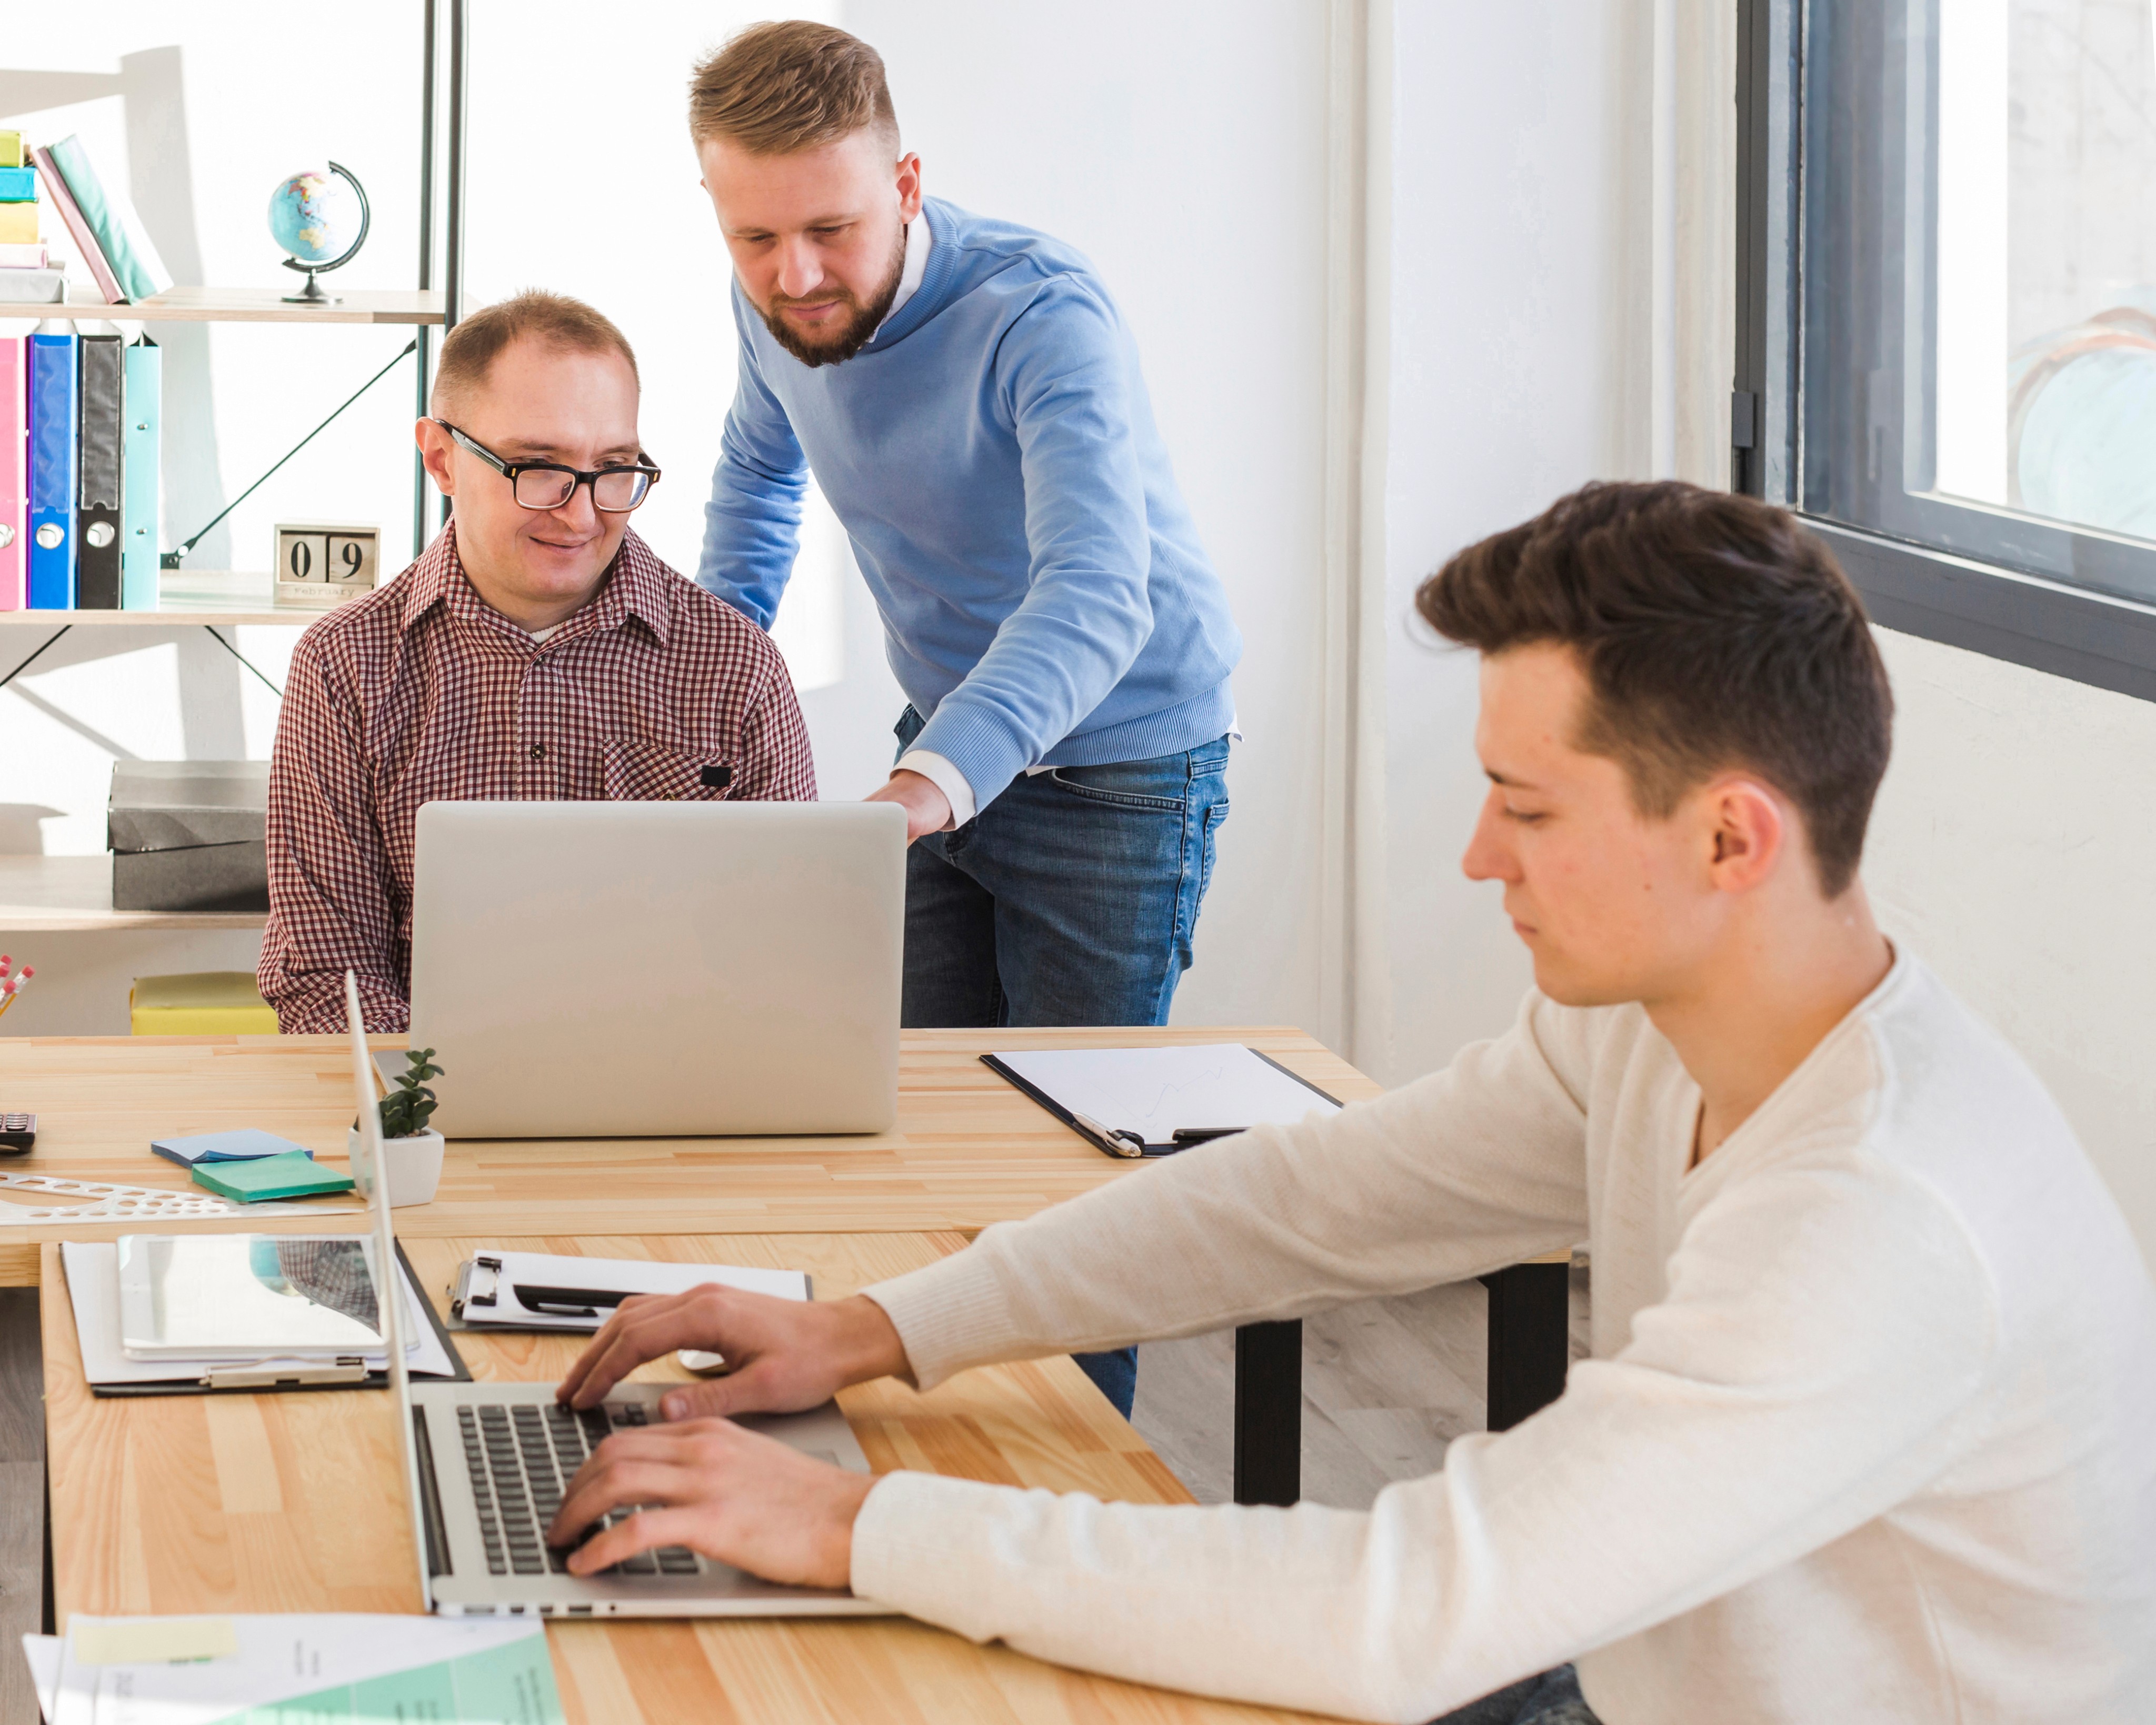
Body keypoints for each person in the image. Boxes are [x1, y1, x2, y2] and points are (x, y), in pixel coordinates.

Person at [541, 481, 2156, 1724]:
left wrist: (858, 1523)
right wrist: (875, 1326)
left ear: (1731, 839)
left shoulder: (1882, 1225)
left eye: (1525, 806)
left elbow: (1411, 1607)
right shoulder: (1658, 1030)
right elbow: (1301, 1198)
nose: (1477, 856)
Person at [689, 21, 1242, 1416]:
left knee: (1066, 1175)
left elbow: (1098, 593)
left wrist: (922, 787)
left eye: (830, 229)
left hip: (1122, 764)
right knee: (908, 1133)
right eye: (755, 239)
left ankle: (1070, 1485)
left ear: (909, 182)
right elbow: (758, 484)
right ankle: (915, 1463)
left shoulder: (1041, 314)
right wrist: (704, 673)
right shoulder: (770, 307)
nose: (794, 277)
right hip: (945, 744)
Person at [259, 291, 816, 1033]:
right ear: (441, 460)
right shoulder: (344, 667)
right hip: (426, 1111)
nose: (582, 514)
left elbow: (791, 959)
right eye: (538, 466)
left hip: (680, 1109)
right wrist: (452, 1097)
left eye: (614, 468)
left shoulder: (735, 665)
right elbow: (332, 977)